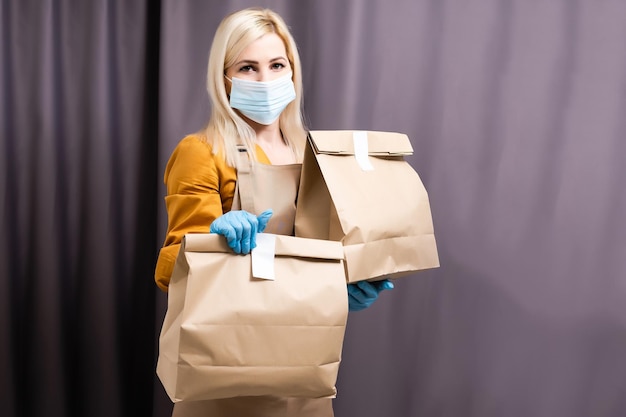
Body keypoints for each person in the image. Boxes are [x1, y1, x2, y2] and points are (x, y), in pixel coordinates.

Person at [155, 7, 393, 417]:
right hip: (225, 377)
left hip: (306, 378)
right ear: (223, 77)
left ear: (293, 72)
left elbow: (317, 263)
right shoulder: (201, 152)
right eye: (247, 67)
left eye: (276, 64)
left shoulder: (319, 157)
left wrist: (343, 288)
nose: (265, 80)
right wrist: (212, 238)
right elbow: (168, 271)